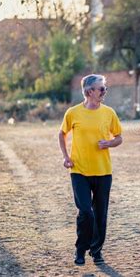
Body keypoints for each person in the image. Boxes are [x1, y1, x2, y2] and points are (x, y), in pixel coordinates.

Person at [58, 74, 123, 266]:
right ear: (89, 92)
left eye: (105, 88)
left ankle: (96, 251)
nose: (104, 92)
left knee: (100, 214)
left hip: (103, 172)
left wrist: (109, 143)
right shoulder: (73, 112)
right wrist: (65, 156)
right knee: (86, 212)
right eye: (101, 88)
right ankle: (80, 250)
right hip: (79, 171)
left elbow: (119, 137)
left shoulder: (109, 113)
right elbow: (61, 134)